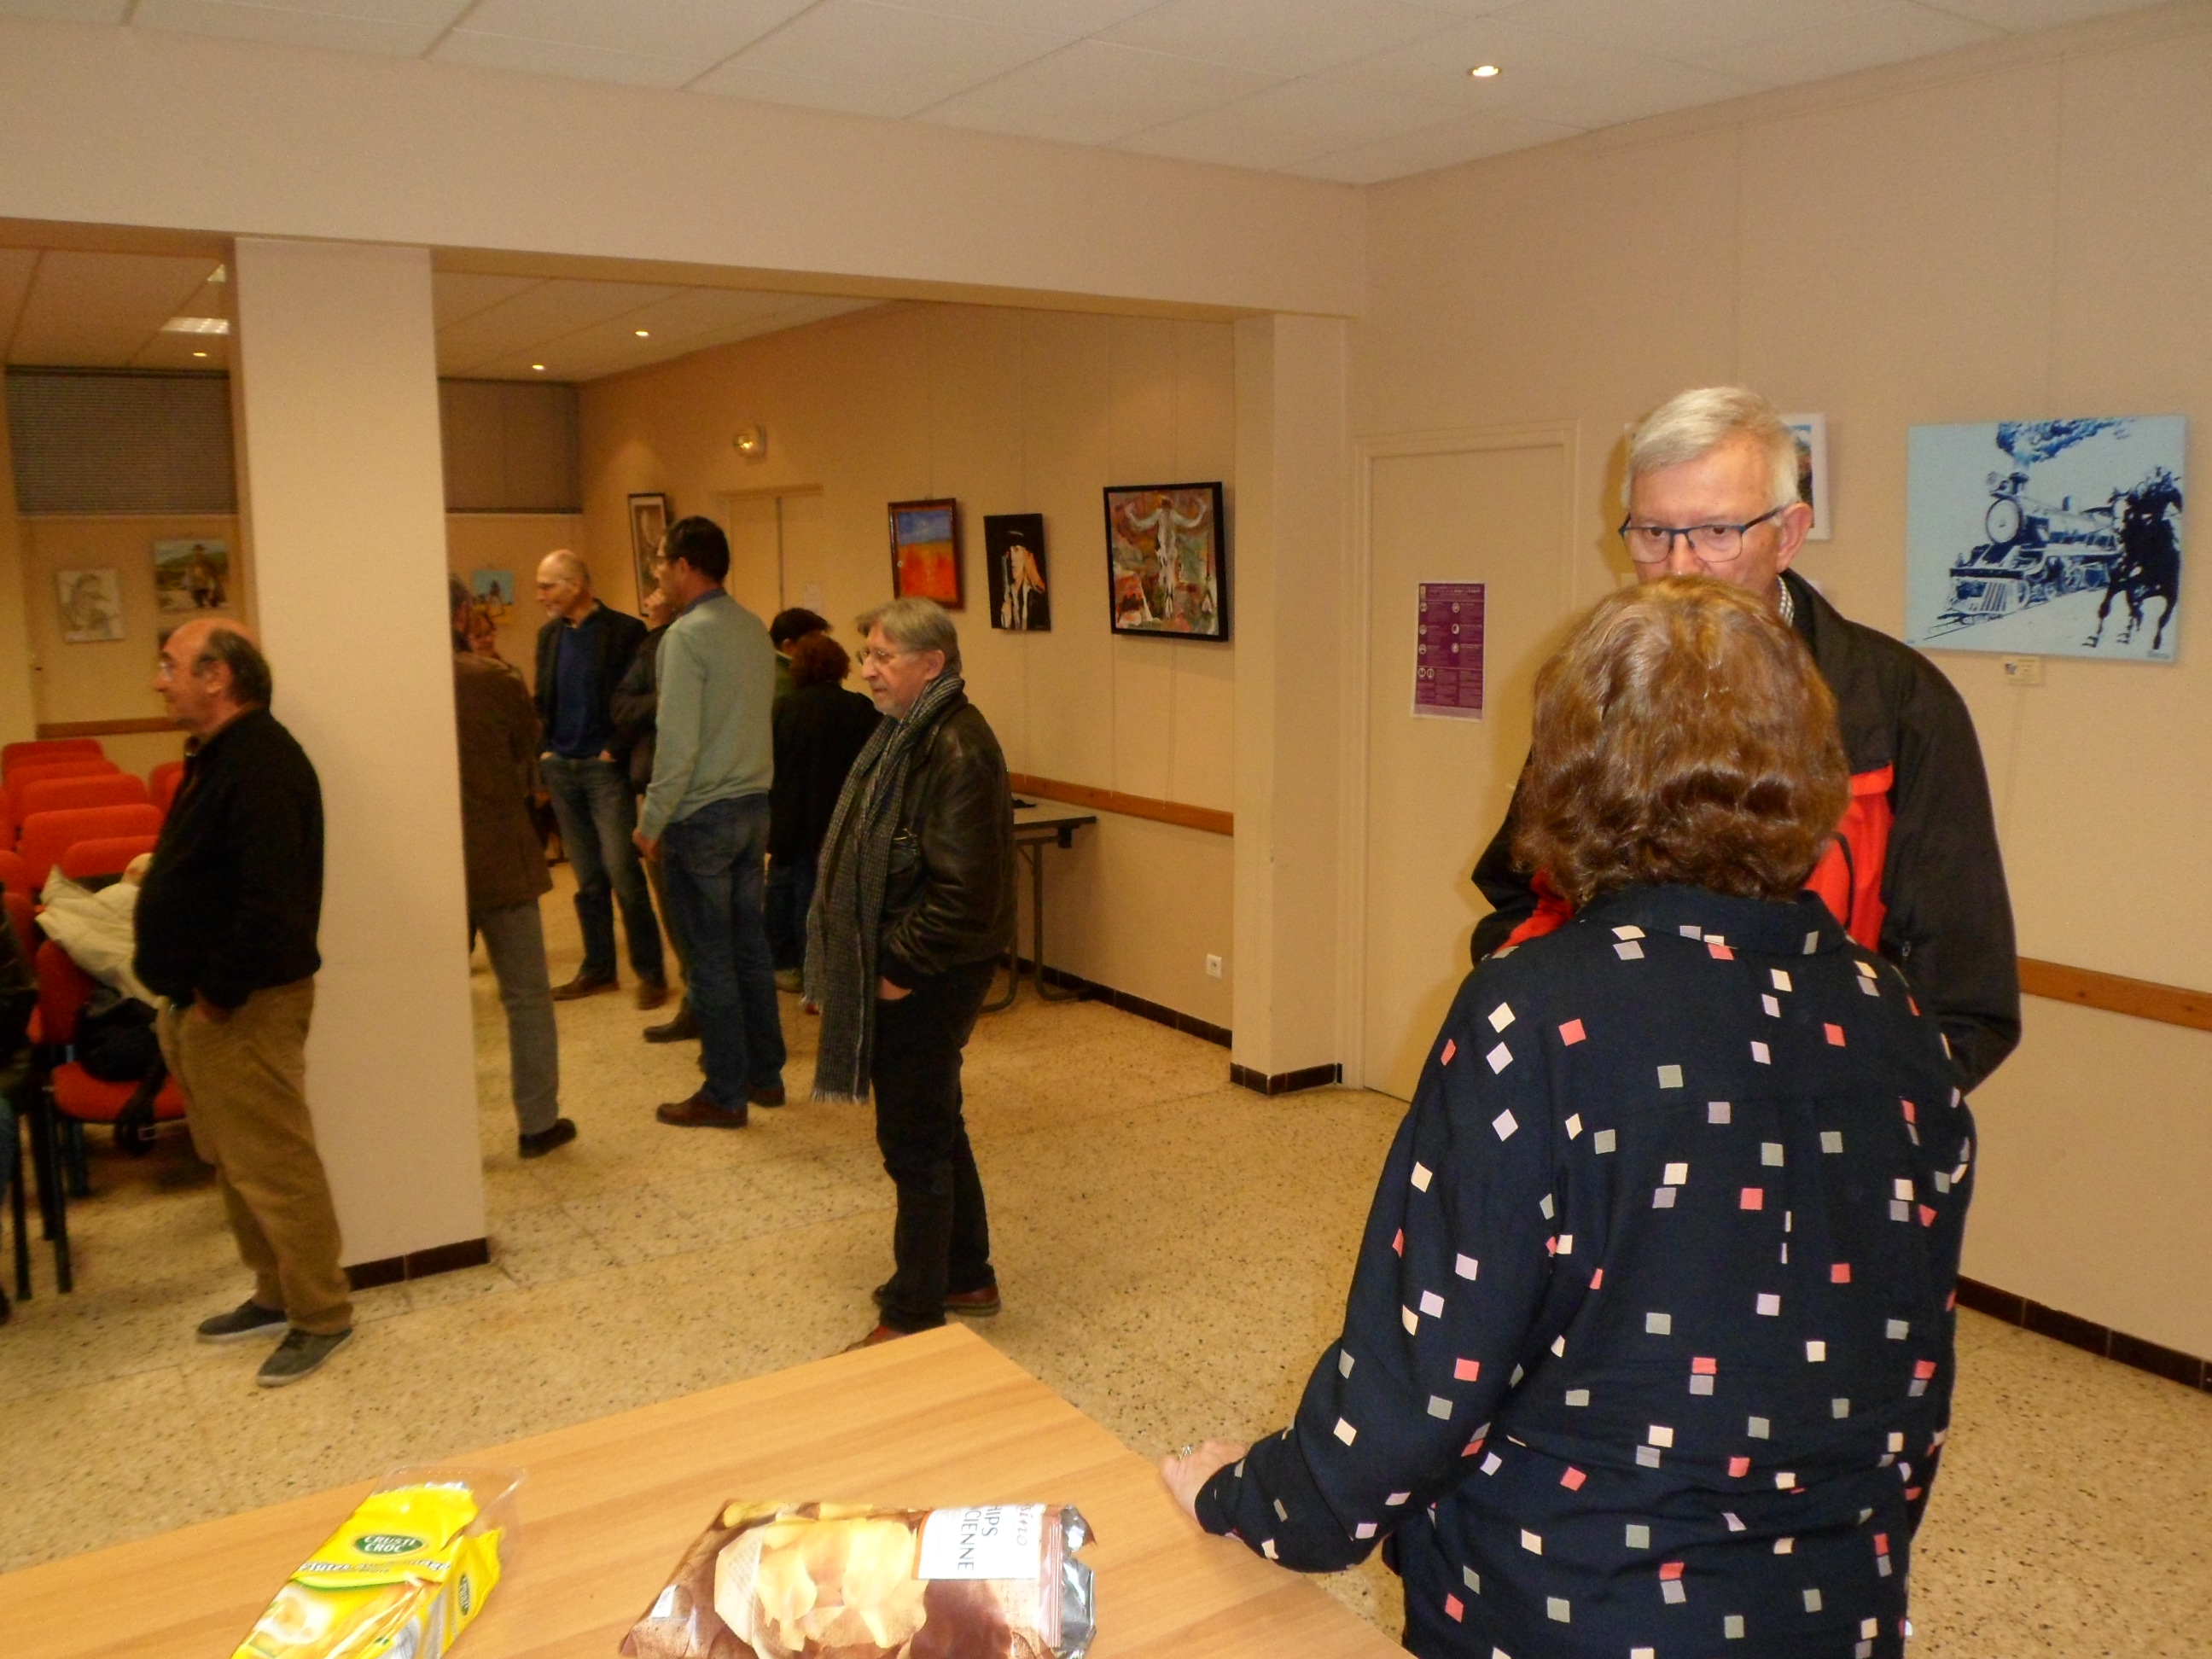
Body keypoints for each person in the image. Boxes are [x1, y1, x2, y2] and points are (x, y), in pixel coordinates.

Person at [1165, 579, 1974, 1659]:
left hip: (1566, 1609)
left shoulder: (1539, 1011)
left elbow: (1425, 1384)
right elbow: (1913, 1381)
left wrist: (1249, 1501)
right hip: (1833, 1608)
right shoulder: (1896, 1018)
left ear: (1573, 776)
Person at [1470, 386, 2020, 1095]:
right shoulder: (1599, 687)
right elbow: (1525, 891)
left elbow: (1965, 995)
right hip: (1615, 1096)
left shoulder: (1899, 705)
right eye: (1653, 533)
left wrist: (1857, 1111)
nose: (1679, 568)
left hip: (1822, 1108)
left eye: (1715, 533)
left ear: (1788, 534)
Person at [135, 620, 353, 1387]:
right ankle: (273, 1293)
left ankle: (321, 1314)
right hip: (207, 1006)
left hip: (246, 1007)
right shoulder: (220, 755)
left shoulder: (263, 762)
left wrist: (216, 997)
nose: (160, 680)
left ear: (217, 676)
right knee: (236, 1163)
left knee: (275, 1165)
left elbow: (273, 904)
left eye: (171, 666)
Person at [807, 597, 1014, 1348]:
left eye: (882, 656)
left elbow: (965, 893)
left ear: (931, 664)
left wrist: (898, 969)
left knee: (913, 1142)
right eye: (867, 654)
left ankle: (914, 1310)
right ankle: (966, 1272)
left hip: (930, 972)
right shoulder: (908, 734)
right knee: (937, 1122)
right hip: (916, 965)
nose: (867, 670)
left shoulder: (956, 747)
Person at [634, 517, 786, 1126]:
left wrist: (651, 820)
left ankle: (724, 1093)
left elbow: (677, 744)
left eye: (660, 563)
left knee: (711, 960)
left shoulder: (684, 638)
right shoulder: (752, 628)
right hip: (753, 807)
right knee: (750, 949)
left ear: (685, 565)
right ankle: (765, 1075)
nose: (657, 575)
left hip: (701, 816)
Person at [451, 579, 573, 1160]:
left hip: (429, 863)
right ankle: (538, 1122)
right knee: (526, 996)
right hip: (499, 851)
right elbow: (527, 745)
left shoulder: (393, 683)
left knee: (433, 1001)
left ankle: (440, 1132)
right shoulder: (493, 680)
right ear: (462, 613)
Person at [533, 550, 668, 1010]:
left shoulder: (624, 631)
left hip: (604, 768)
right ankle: (598, 968)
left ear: (576, 584)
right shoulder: (549, 636)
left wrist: (614, 747)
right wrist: (545, 751)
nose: (540, 596)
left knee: (623, 871)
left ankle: (650, 972)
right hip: (562, 767)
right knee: (588, 878)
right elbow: (543, 698)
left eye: (547, 586)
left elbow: (638, 698)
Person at [767, 632, 882, 988]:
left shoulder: (783, 709)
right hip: (835, 817)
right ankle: (814, 971)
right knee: (815, 896)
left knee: (781, 889)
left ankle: (781, 962)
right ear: (840, 666)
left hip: (787, 815)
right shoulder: (858, 709)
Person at [612, 579, 698, 1044]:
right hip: (660, 782)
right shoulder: (651, 648)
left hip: (693, 789)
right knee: (673, 901)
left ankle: (708, 1004)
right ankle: (696, 997)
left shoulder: (704, 639)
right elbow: (623, 707)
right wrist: (664, 702)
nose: (648, 600)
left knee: (695, 906)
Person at [768, 607, 832, 705]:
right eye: (813, 642)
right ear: (788, 646)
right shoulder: (787, 681)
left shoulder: (763, 667)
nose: (820, 647)